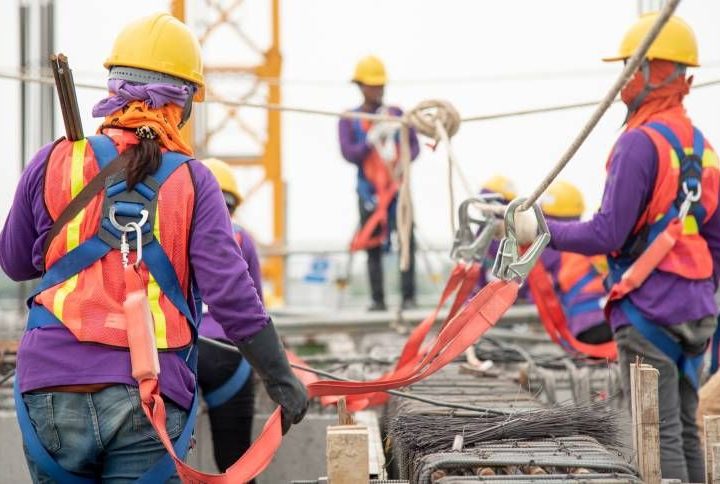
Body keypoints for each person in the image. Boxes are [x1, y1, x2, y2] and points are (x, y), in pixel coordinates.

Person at [0, 13, 307, 482]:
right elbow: (231, 294)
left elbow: (16, 261)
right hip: (149, 393)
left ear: (113, 89)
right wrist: (281, 378)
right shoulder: (192, 180)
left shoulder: (57, 159)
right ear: (181, 104)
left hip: (49, 387)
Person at [513, 13, 720, 481]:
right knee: (686, 428)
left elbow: (608, 234)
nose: (623, 80)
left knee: (658, 431)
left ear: (651, 70)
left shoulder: (638, 144)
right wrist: (702, 295)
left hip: (649, 312)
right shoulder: (702, 147)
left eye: (630, 66)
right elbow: (716, 238)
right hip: (698, 312)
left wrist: (542, 229)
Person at [338, 55, 420, 311]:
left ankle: (408, 297)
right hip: (369, 192)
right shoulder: (349, 118)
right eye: (373, 85)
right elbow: (349, 153)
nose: (378, 90)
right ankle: (378, 300)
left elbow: (415, 147)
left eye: (380, 85)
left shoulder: (396, 115)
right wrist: (370, 141)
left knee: (406, 240)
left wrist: (401, 160)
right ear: (361, 86)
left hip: (397, 189)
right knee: (372, 245)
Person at [197, 158, 262, 473]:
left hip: (182, 351)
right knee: (236, 467)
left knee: (166, 460)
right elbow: (256, 309)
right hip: (229, 358)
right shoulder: (241, 238)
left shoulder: (177, 234)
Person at [538, 181, 612, 345]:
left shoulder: (550, 248)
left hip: (585, 325)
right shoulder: (587, 239)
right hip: (613, 318)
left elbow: (534, 287)